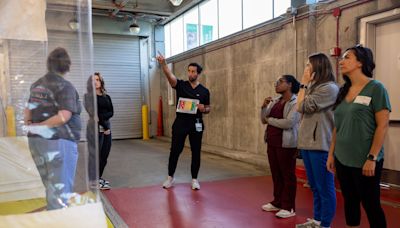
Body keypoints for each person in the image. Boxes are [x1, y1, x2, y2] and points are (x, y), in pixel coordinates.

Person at [327, 45, 390, 228]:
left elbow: (382, 125)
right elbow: (337, 127)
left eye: (347, 57)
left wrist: (372, 157)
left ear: (360, 62)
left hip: (365, 160)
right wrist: (331, 154)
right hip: (342, 158)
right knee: (350, 201)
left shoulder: (376, 88)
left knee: (371, 205)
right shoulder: (342, 90)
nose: (341, 61)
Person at [24, 47, 81, 210]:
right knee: (60, 190)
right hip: (58, 141)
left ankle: (53, 212)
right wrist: (40, 127)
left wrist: (32, 125)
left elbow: (27, 109)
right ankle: (58, 219)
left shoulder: (37, 84)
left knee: (50, 184)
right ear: (67, 66)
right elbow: (64, 116)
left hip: (36, 142)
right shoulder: (65, 85)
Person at [296, 53, 339, 228]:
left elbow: (300, 106)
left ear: (318, 67)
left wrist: (303, 84)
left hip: (321, 144)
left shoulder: (329, 88)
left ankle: (325, 224)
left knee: (324, 188)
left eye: (308, 65)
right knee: (314, 186)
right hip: (308, 143)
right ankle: (317, 219)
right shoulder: (315, 88)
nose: (306, 68)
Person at [156, 53, 210, 190]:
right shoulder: (181, 85)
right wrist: (163, 64)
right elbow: (171, 77)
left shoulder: (204, 91)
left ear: (198, 74)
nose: (190, 74)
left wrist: (204, 108)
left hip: (196, 124)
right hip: (180, 123)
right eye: (189, 71)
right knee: (175, 150)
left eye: (193, 72)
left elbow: (208, 108)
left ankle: (194, 179)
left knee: (196, 151)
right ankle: (170, 178)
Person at [260, 75, 301, 218]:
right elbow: (263, 120)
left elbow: (289, 123)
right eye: (276, 82)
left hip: (287, 144)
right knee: (276, 174)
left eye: (280, 82)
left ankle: (289, 207)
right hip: (272, 142)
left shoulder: (296, 102)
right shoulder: (276, 101)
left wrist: (269, 119)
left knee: (287, 175)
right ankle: (277, 202)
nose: (276, 84)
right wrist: (264, 107)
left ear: (290, 84)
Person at [84, 72, 114, 190]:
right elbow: (93, 114)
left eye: (97, 79)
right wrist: (105, 126)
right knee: (94, 156)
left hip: (107, 130)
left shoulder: (107, 97)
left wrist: (106, 125)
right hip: (94, 130)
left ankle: (98, 178)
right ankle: (92, 180)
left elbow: (111, 112)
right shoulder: (88, 97)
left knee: (104, 155)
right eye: (93, 80)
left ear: (101, 81)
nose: (95, 82)